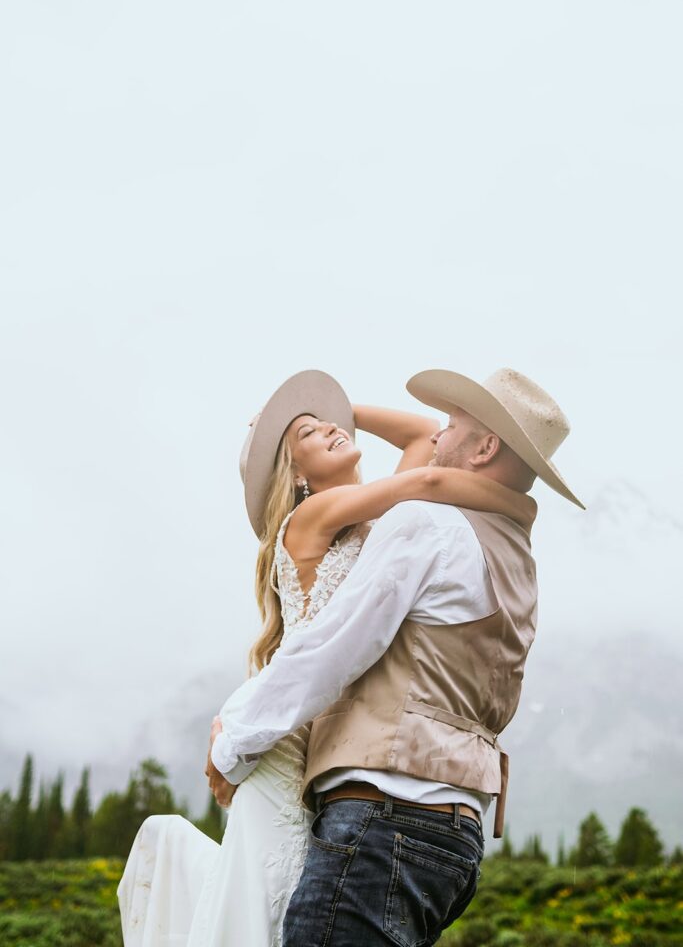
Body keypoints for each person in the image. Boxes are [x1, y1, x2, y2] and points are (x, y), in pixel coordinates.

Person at [118, 370, 536, 947]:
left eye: (327, 422)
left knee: (288, 902)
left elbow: (422, 438)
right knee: (277, 897)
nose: (332, 428)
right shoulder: (314, 518)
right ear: (296, 476)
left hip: (329, 743)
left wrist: (324, 413)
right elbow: (432, 474)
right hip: (307, 731)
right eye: (309, 436)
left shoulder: (386, 528)